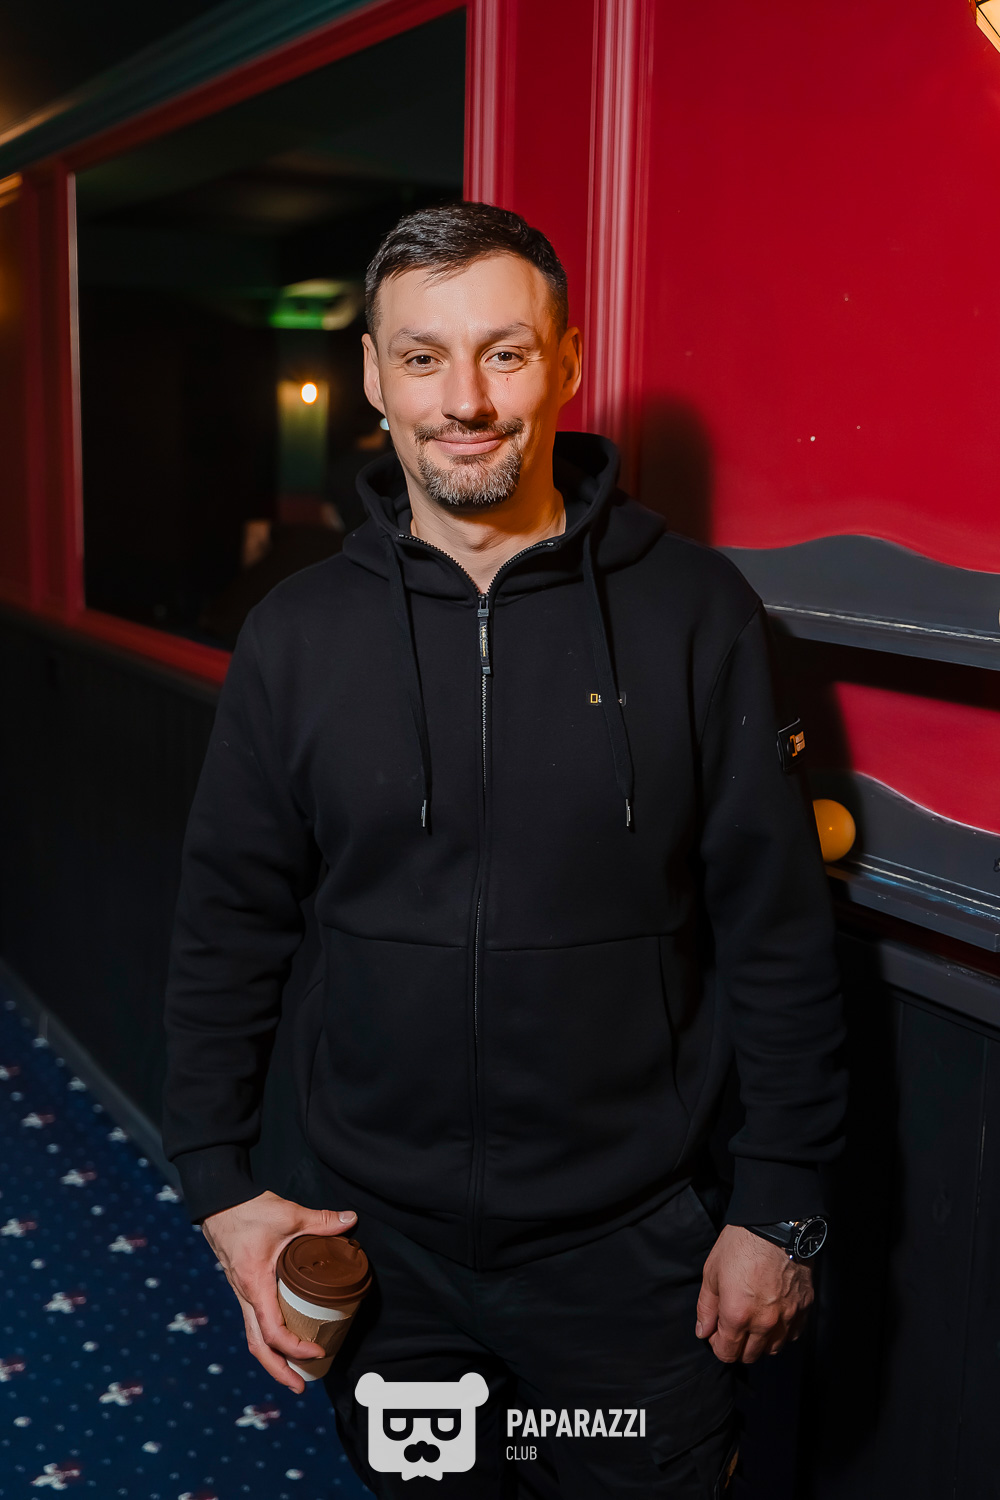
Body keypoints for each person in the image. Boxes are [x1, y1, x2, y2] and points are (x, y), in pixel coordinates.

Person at [162, 203, 846, 1498]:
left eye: (505, 352)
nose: (465, 401)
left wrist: (781, 1207)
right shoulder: (295, 635)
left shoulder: (696, 613)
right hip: (381, 1248)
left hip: (637, 1255)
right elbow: (226, 928)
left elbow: (778, 935)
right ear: (374, 376)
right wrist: (216, 1185)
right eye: (423, 358)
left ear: (566, 362)